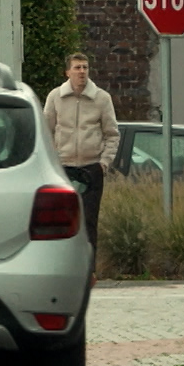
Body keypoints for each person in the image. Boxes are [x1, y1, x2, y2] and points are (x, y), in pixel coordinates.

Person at [42, 52, 119, 249]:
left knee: (89, 222)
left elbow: (112, 133)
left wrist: (104, 163)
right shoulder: (55, 97)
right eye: (77, 68)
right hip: (63, 168)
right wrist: (51, 162)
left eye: (85, 67)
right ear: (67, 72)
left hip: (92, 168)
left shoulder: (102, 98)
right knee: (61, 221)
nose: (82, 72)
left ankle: (90, 270)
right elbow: (46, 132)